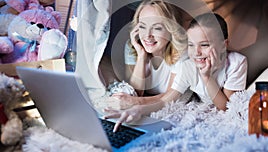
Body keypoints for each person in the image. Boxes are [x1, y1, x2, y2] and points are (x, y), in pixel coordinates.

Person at [104, 13, 248, 132]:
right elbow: (166, 100)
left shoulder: (236, 63)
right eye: (191, 45)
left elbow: (226, 107)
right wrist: (137, 110)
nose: (196, 53)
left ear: (224, 45)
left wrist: (206, 77)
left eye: (204, 45)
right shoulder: (188, 66)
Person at [112, 0, 187, 104]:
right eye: (142, 26)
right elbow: (135, 92)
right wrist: (141, 56)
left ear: (171, 30)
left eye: (157, 28)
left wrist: (137, 102)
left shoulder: (182, 52)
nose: (147, 35)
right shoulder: (132, 46)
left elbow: (172, 97)